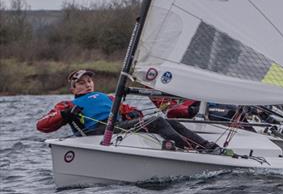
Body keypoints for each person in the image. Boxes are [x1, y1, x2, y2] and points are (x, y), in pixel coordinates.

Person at [37, 69, 229, 154]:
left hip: (117, 128)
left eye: (89, 81)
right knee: (158, 122)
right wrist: (64, 115)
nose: (87, 85)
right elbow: (42, 125)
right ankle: (192, 150)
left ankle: (207, 146)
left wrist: (134, 114)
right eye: (81, 83)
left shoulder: (108, 98)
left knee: (170, 122)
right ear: (73, 89)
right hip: (96, 133)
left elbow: (133, 111)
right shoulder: (67, 105)